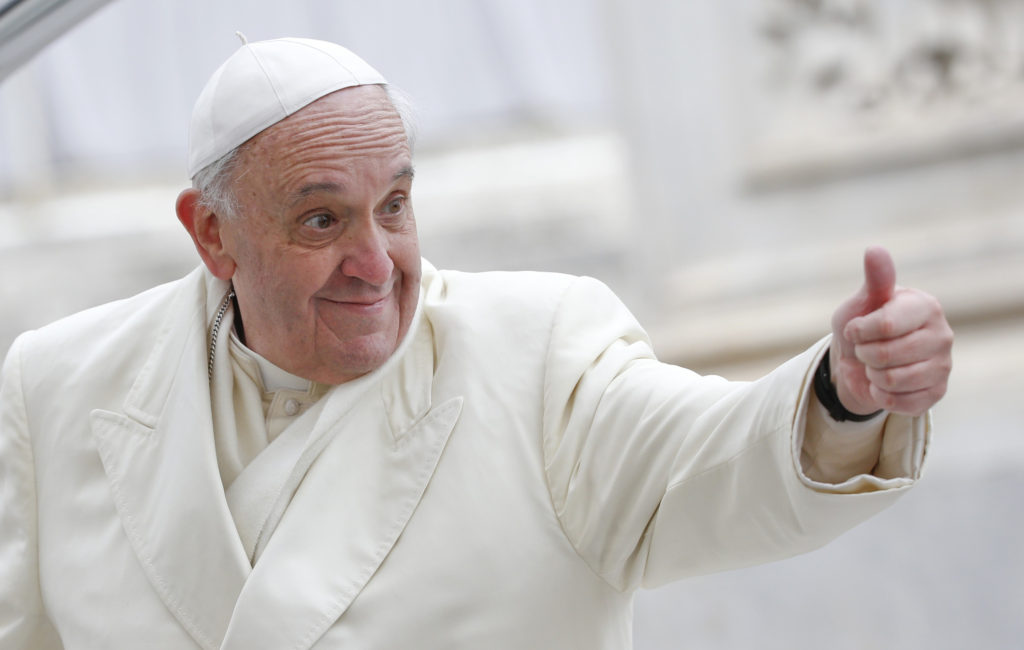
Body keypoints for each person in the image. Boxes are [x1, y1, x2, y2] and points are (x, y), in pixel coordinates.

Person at [0, 37, 953, 650]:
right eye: (322, 220)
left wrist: (841, 391)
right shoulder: (58, 383)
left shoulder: (535, 352)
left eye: (397, 207)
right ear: (212, 234)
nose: (376, 264)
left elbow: (710, 460)